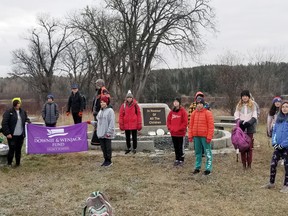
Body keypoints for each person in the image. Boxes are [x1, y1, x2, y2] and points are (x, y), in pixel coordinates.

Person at [261, 100, 288, 193]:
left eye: (287, 107)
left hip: (286, 148)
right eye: (283, 107)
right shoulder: (278, 120)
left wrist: (282, 145)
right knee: (273, 164)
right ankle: (271, 183)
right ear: (281, 108)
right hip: (277, 147)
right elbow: (274, 132)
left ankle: (286, 185)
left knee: (286, 166)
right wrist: (274, 143)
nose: (285, 108)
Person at [188, 97, 214, 175]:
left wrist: (209, 136)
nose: (199, 105)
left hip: (205, 136)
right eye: (198, 104)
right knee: (198, 153)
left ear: (203, 104)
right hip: (196, 136)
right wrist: (190, 135)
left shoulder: (208, 113)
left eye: (200, 104)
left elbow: (211, 126)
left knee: (207, 152)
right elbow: (191, 125)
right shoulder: (193, 113)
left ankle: (208, 169)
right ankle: (197, 167)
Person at [1, 97, 30, 167]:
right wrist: (7, 133)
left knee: (18, 150)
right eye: (16, 103)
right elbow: (4, 123)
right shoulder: (8, 112)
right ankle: (9, 163)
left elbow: (26, 119)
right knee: (12, 150)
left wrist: (28, 121)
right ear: (13, 104)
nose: (17, 105)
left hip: (21, 134)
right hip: (12, 135)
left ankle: (17, 163)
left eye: (18, 103)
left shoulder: (23, 112)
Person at [87, 95, 115, 167]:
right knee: (103, 148)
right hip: (101, 133)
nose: (102, 103)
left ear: (107, 102)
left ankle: (109, 161)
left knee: (108, 148)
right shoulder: (100, 111)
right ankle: (105, 160)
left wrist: (109, 132)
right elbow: (98, 122)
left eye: (103, 102)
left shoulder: (110, 111)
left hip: (107, 134)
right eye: (101, 102)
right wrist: (91, 122)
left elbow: (111, 123)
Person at [234, 90, 257, 169]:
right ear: (241, 97)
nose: (245, 97)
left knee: (249, 147)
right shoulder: (239, 105)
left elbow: (255, 116)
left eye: (246, 96)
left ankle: (249, 164)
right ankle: (244, 164)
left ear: (248, 97)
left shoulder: (253, 104)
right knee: (242, 147)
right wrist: (239, 122)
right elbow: (236, 115)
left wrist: (249, 122)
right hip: (241, 128)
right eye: (243, 96)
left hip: (250, 127)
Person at [118, 90, 142, 154]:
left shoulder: (135, 105)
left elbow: (139, 114)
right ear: (126, 98)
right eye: (128, 97)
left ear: (132, 98)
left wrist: (139, 123)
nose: (129, 98)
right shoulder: (123, 105)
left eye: (130, 97)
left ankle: (134, 148)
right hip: (126, 124)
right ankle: (128, 148)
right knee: (127, 137)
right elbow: (121, 115)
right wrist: (121, 124)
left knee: (134, 137)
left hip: (134, 124)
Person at [167, 97, 188, 166]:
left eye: (177, 102)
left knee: (180, 147)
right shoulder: (171, 112)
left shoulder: (183, 111)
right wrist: (170, 128)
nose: (175, 103)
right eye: (174, 101)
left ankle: (181, 159)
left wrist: (179, 129)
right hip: (173, 133)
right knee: (175, 146)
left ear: (179, 103)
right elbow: (168, 121)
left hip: (180, 133)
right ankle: (177, 158)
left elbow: (185, 122)